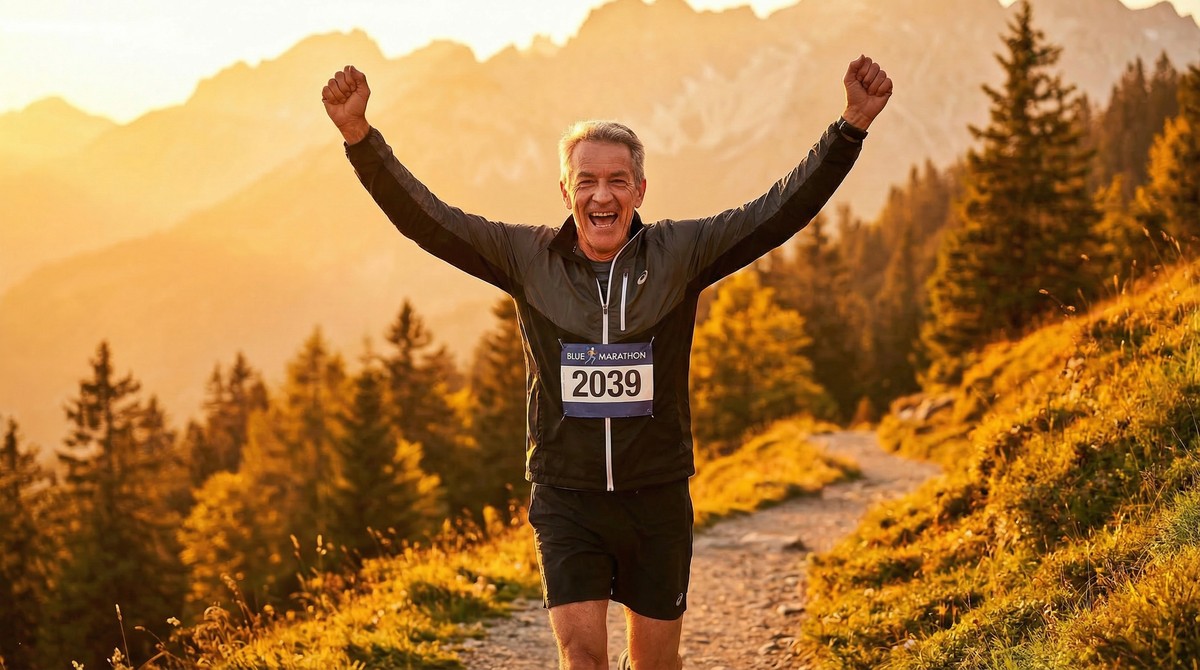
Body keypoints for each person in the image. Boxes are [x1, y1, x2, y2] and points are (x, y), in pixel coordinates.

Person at [322, 54, 891, 669]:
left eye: (618, 180)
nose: (602, 194)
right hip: (568, 497)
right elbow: (427, 220)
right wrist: (360, 138)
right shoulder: (524, 256)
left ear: (639, 191)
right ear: (565, 191)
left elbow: (779, 210)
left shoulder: (680, 252)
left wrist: (851, 125)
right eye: (587, 180)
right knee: (584, 660)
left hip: (657, 495)